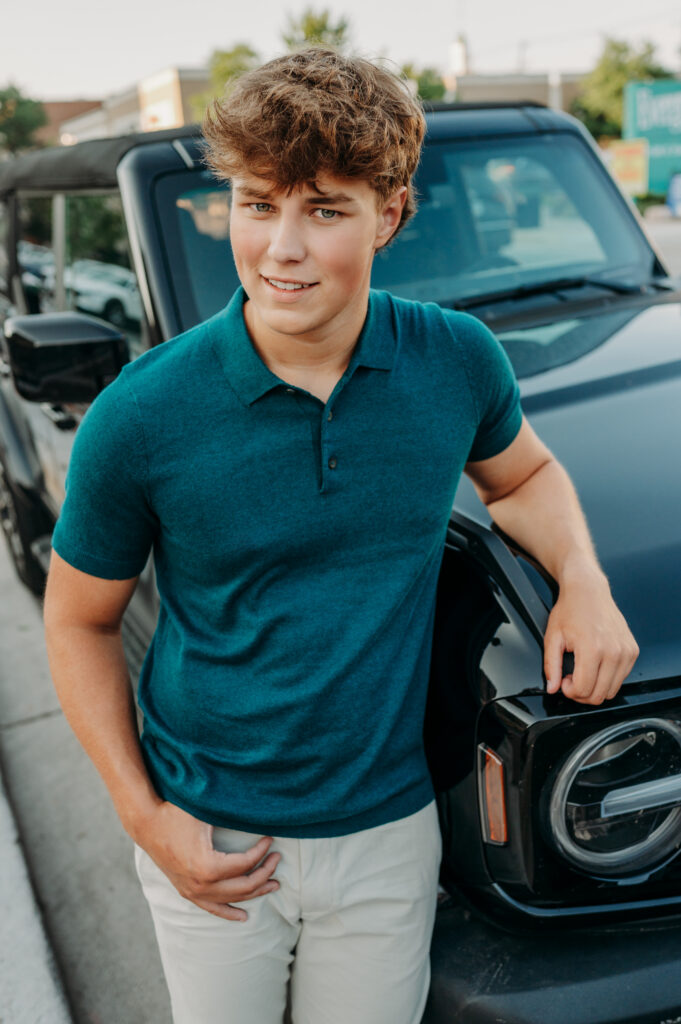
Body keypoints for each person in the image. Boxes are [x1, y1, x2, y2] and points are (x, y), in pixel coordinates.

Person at [43, 48, 639, 1024]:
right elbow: (76, 623)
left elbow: (524, 475)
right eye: (256, 203)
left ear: (390, 214)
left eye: (323, 209)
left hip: (389, 834)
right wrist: (145, 818)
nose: (281, 246)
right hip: (212, 830)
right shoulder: (141, 416)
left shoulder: (454, 361)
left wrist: (583, 579)